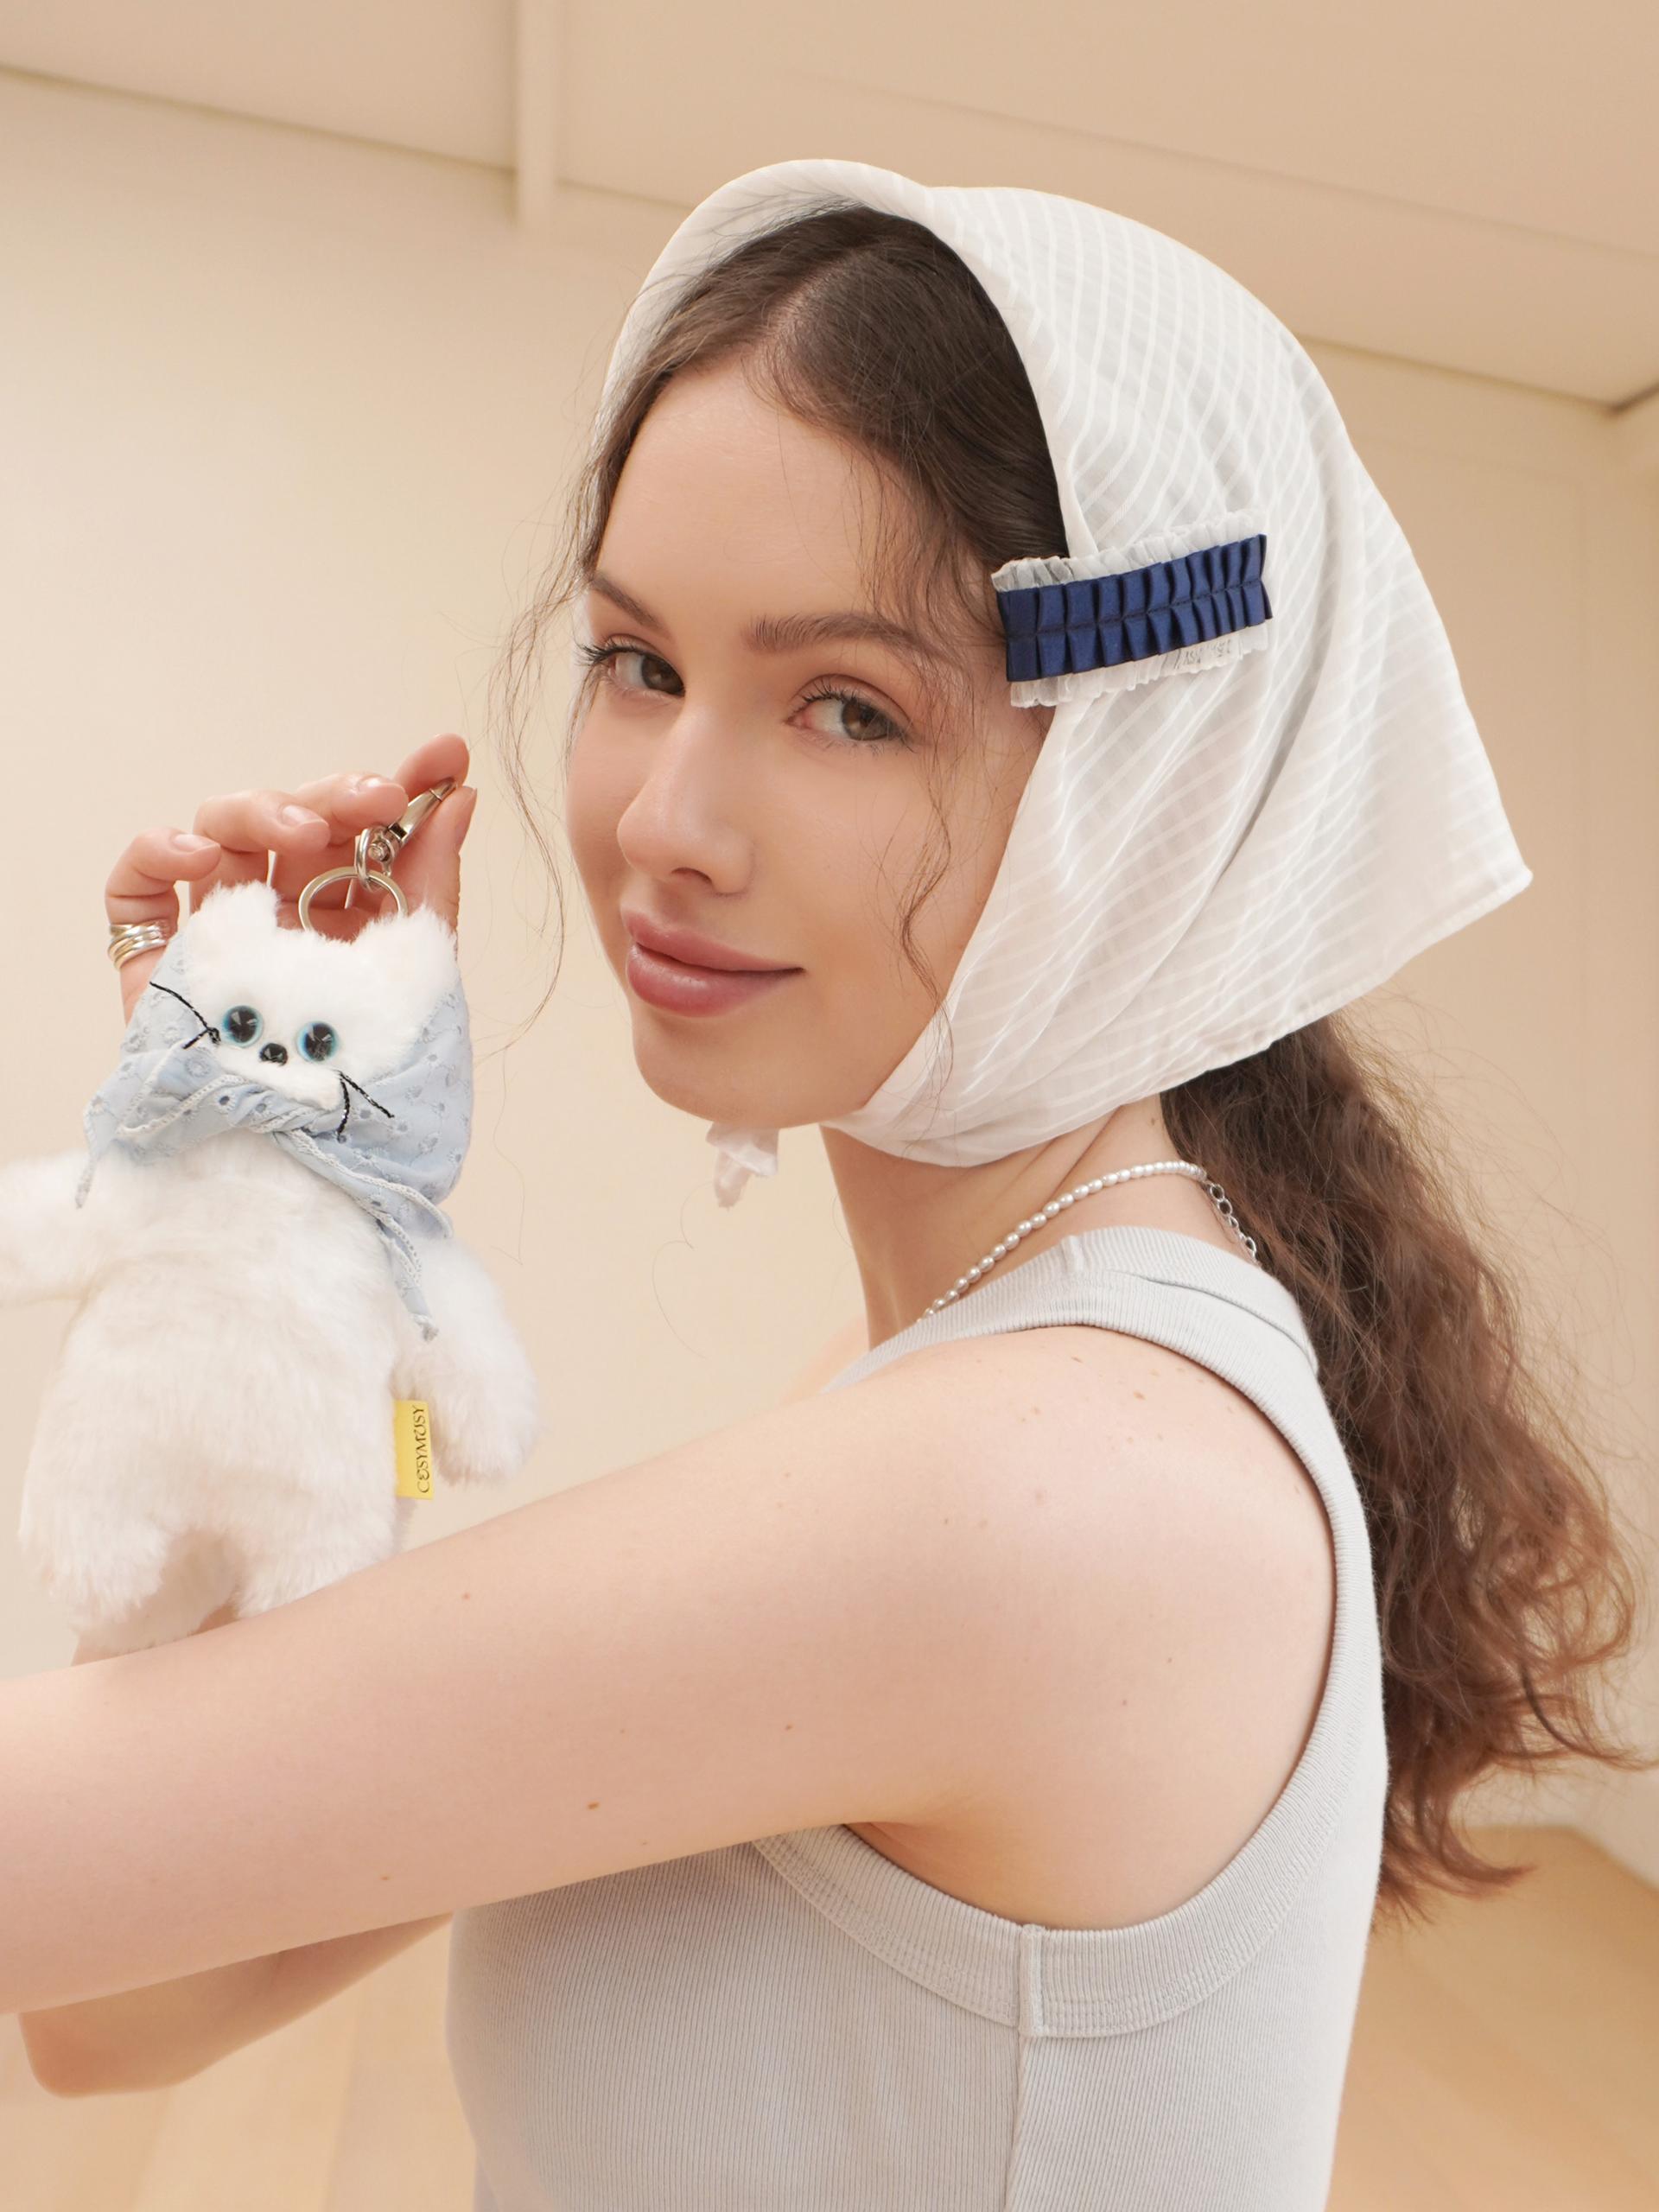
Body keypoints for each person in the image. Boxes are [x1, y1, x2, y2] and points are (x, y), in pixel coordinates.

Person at [19, 161, 1651, 2210]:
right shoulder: (991, 1381)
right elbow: (121, 1997)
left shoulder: (1037, 1481)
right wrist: (269, 1179)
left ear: (1143, 790)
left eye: (849, 706)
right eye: (638, 660)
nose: (670, 818)